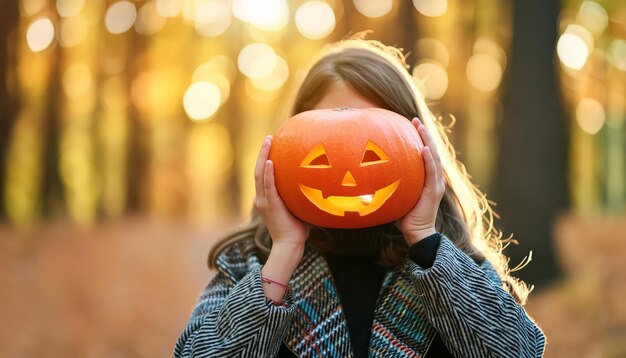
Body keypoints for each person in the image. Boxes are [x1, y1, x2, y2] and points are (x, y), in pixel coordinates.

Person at [174, 34, 546, 357]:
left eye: (373, 134)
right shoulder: (250, 260)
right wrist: (283, 250)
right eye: (331, 133)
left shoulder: (454, 257)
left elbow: (519, 351)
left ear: (418, 145)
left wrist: (424, 238)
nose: (349, 173)